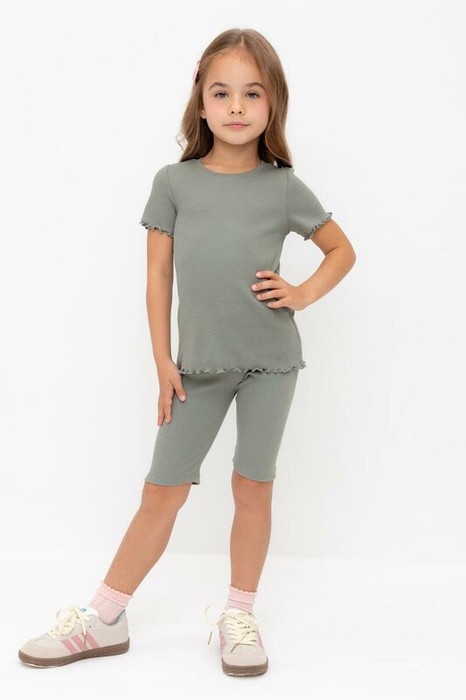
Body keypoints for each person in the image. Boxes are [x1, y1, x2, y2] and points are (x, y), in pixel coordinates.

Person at [18, 28, 356, 676]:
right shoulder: (173, 182)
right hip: (194, 368)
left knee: (252, 486)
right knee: (161, 492)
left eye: (252, 93)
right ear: (200, 102)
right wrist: (163, 361)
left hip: (270, 363)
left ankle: (239, 616)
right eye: (221, 92)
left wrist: (302, 293)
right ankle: (105, 617)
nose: (236, 107)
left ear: (273, 104)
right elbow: (157, 276)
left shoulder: (284, 187)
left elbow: (341, 249)